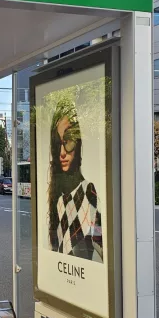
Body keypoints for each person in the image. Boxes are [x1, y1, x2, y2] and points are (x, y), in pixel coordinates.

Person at [46, 97, 103, 262]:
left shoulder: (88, 191)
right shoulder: (59, 200)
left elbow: (99, 241)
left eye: (68, 141)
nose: (62, 152)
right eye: (58, 144)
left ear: (78, 144)